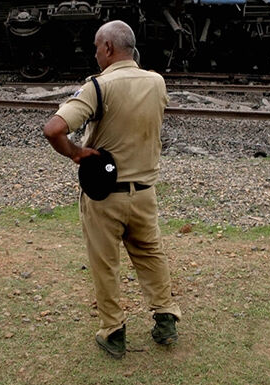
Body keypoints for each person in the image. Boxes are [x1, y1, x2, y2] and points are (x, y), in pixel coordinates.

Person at [43, 20, 181, 359]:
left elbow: (53, 129)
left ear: (107, 48)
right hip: (145, 192)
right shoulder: (157, 82)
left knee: (105, 265)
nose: (94, 54)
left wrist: (76, 152)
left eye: (95, 47)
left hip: (105, 196)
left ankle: (114, 332)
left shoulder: (97, 86)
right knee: (151, 255)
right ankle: (165, 321)